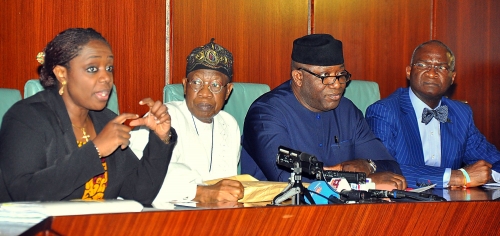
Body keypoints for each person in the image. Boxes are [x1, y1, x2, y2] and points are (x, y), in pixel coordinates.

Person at [0, 28, 176, 204]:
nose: (106, 78)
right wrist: (96, 150)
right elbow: (24, 194)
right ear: (62, 73)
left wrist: (161, 138)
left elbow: (140, 192)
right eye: (92, 69)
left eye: (109, 68)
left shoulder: (105, 120)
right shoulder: (26, 117)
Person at [240, 34, 407, 190]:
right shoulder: (265, 114)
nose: (337, 84)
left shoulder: (347, 111)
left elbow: (391, 167)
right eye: (326, 76)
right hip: (276, 214)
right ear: (299, 77)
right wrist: (364, 183)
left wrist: (368, 165)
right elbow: (290, 182)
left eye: (340, 74)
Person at [365, 40, 500, 189]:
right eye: (423, 65)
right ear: (409, 72)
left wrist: (487, 175)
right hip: (400, 206)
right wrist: (458, 177)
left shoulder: (461, 114)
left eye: (441, 67)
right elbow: (383, 168)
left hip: (451, 205)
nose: (432, 73)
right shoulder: (384, 111)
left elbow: (495, 161)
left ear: (452, 77)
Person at [130, 39, 244, 204]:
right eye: (197, 83)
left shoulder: (230, 124)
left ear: (228, 92)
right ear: (185, 86)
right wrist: (201, 192)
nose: (205, 92)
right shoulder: (161, 118)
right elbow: (137, 177)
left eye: (215, 85)